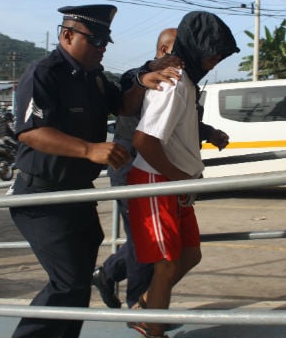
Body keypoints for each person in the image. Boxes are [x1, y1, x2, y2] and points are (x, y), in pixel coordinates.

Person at [8, 4, 180, 338]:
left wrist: (145, 81)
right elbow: (30, 131)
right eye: (95, 38)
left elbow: (124, 105)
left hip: (77, 195)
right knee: (68, 282)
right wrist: (88, 149)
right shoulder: (44, 72)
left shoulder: (95, 78)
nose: (102, 47)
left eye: (105, 41)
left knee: (77, 286)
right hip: (41, 196)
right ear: (67, 35)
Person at [92, 28, 230, 313]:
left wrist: (208, 132)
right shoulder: (142, 77)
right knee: (150, 246)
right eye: (177, 51)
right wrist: (146, 73)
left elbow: (178, 124)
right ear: (164, 51)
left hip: (162, 170)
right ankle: (139, 310)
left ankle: (116, 280)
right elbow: (133, 87)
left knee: (164, 246)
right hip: (133, 167)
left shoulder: (182, 81)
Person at [126, 11, 239, 338]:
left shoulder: (188, 83)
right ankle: (153, 329)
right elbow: (143, 140)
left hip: (176, 182)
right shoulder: (173, 83)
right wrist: (177, 178)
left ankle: (146, 307)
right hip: (156, 180)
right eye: (212, 52)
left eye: (220, 54)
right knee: (167, 263)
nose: (216, 60)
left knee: (190, 254)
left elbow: (177, 133)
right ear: (195, 47)